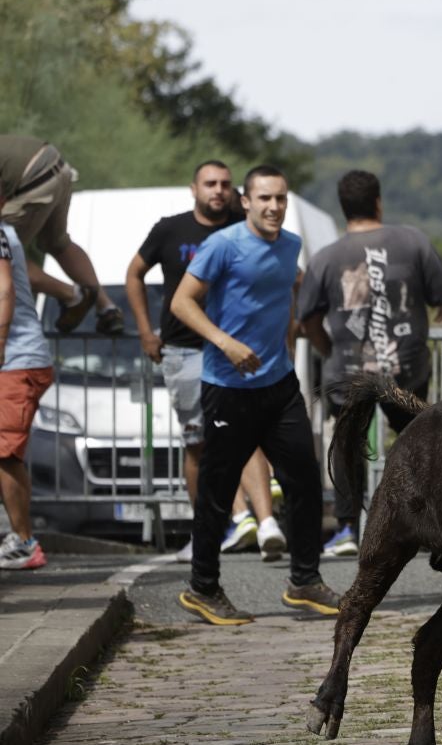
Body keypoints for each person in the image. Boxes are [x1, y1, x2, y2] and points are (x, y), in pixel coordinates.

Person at [170, 164, 341, 625]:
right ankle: (203, 587)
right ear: (245, 201)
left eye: (280, 198)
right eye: (264, 198)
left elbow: (286, 290)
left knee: (305, 479)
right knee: (218, 491)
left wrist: (293, 331)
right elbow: (182, 302)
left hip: (279, 386)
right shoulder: (222, 245)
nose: (273, 206)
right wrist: (224, 342)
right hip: (227, 388)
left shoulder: (290, 245)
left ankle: (304, 581)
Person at [124, 160, 286, 563]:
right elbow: (134, 274)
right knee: (198, 443)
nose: (218, 190)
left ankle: (264, 524)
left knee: (244, 433)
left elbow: (285, 276)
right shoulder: (170, 230)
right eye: (210, 183)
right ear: (193, 189)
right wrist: (145, 331)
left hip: (236, 353)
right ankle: (209, 532)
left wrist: (280, 331)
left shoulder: (245, 226)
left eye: (225, 184)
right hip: (185, 351)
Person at [298, 169, 442, 557]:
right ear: (378, 202)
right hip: (407, 368)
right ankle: (429, 527)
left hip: (348, 371)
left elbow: (307, 319)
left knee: (348, 446)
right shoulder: (413, 241)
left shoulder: (326, 257)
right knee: (419, 442)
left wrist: (328, 348)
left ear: (343, 208)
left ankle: (347, 528)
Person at [0, 135, 123, 334]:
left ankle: (73, 296)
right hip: (55, 164)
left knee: (5, 261)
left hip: (32, 177)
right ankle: (107, 308)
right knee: (57, 242)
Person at [0, 217, 54, 569]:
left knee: (5, 453)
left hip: (16, 361)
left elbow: (4, 288)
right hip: (15, 359)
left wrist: (0, 342)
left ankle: (23, 543)